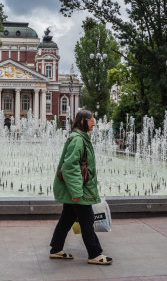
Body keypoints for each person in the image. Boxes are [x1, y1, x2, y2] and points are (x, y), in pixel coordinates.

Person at [49, 109, 112, 265]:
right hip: (78, 191)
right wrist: (77, 192)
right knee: (87, 220)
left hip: (75, 189)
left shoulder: (80, 138)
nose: (94, 123)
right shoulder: (78, 139)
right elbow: (70, 167)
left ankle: (56, 249)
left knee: (67, 219)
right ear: (83, 121)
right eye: (91, 120)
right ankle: (95, 253)